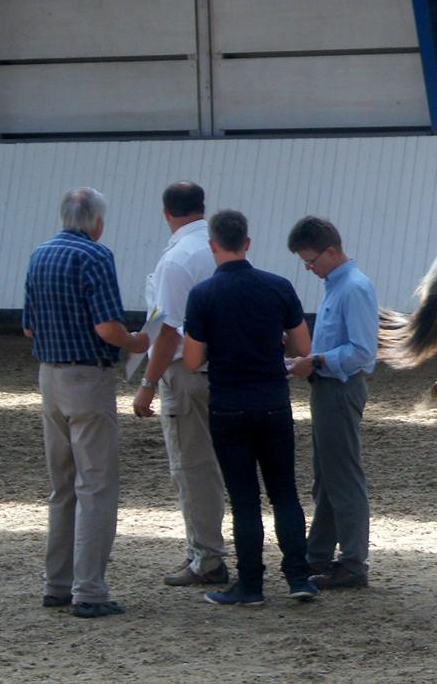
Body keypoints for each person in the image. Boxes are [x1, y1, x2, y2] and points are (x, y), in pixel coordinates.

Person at [23, 187, 149, 619]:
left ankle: (56, 584)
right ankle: (90, 589)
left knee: (62, 486)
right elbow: (107, 328)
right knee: (96, 485)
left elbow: (28, 328)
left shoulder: (39, 254)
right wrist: (136, 341)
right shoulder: (95, 256)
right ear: (97, 221)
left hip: (49, 375)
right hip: (87, 377)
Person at [182, 209, 317, 606]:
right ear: (248, 242)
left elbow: (192, 360)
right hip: (273, 402)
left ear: (213, 246)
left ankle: (251, 585)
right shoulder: (278, 286)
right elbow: (303, 347)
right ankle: (299, 576)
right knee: (284, 493)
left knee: (244, 500)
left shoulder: (203, 294)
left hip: (229, 405)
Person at [132, 182, 228, 587]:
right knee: (216, 464)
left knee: (191, 467)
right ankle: (209, 551)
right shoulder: (219, 248)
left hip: (186, 374)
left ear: (166, 212)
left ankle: (206, 557)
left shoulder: (177, 258)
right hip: (224, 370)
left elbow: (168, 331)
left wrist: (148, 382)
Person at [286, 217, 377, 590]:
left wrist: (318, 360)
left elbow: (362, 351)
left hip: (339, 387)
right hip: (328, 386)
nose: (309, 268)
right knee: (327, 477)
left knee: (343, 477)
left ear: (331, 251)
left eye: (311, 261)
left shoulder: (353, 288)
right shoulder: (339, 285)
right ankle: (318, 554)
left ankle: (353, 562)